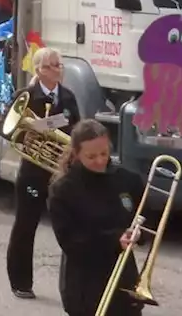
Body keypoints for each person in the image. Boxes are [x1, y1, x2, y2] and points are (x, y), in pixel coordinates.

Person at [48, 119, 145, 316]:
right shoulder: (63, 189)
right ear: (76, 154)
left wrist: (139, 233)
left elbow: (147, 216)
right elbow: (70, 241)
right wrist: (114, 239)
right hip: (84, 284)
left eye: (104, 153)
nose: (100, 161)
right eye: (91, 156)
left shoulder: (127, 179)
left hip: (123, 279)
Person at [7, 46, 82, 300]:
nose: (57, 69)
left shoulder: (69, 97)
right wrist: (42, 127)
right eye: (50, 65)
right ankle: (20, 282)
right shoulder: (25, 96)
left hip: (61, 172)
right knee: (25, 226)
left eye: (59, 64)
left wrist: (45, 125)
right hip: (33, 171)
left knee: (71, 229)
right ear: (38, 70)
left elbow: (76, 127)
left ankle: (75, 286)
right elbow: (7, 130)